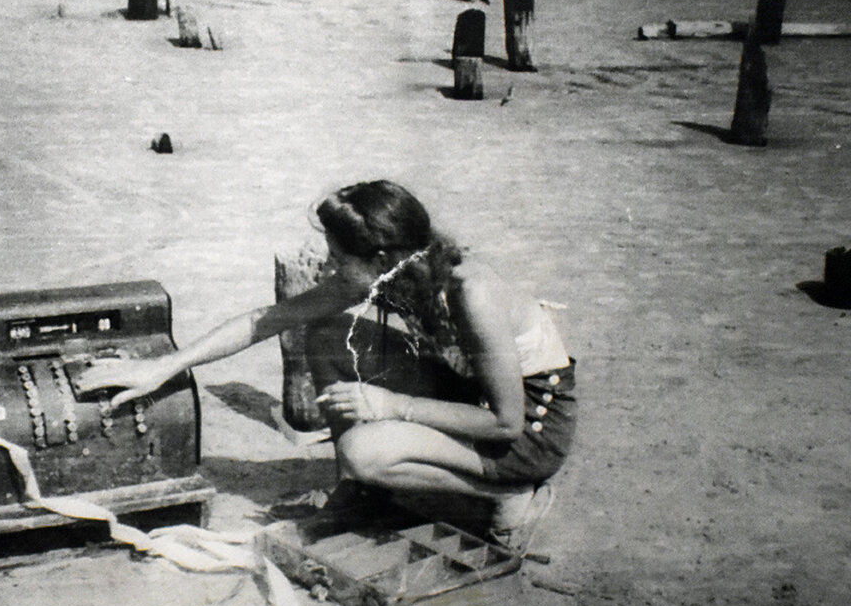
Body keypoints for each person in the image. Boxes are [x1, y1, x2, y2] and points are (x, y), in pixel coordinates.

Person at [74, 180, 576, 551]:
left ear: (380, 258)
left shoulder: (473, 293)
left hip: (527, 430)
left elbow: (506, 421)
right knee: (328, 335)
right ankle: (363, 492)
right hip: (469, 395)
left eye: (338, 256)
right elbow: (267, 320)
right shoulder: (393, 270)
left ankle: (503, 494)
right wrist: (164, 366)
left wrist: (393, 405)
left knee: (365, 449)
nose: (329, 265)